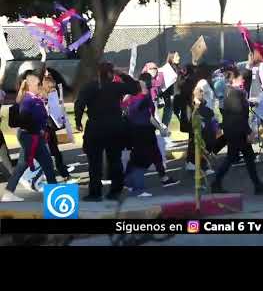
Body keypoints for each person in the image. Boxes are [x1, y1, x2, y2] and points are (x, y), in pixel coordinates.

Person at [75, 62, 138, 202]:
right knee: (115, 160)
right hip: (114, 127)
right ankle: (115, 191)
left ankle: (95, 193)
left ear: (98, 73)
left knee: (94, 162)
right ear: (111, 74)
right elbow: (135, 88)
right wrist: (121, 74)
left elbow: (79, 104)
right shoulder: (116, 87)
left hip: (95, 127)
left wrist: (78, 121)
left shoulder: (89, 87)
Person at [210, 68, 263, 195]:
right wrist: (249, 132)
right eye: (240, 78)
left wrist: (248, 103)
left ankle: (257, 186)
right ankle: (216, 183)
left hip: (233, 130)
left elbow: (236, 109)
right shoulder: (235, 93)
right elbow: (239, 115)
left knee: (246, 158)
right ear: (233, 79)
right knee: (233, 158)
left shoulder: (229, 91)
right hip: (237, 132)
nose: (243, 80)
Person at [1, 73, 58, 202]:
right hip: (30, 137)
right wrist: (39, 129)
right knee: (25, 165)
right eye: (38, 84)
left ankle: (54, 195)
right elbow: (25, 119)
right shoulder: (27, 100)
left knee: (47, 164)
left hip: (35, 136)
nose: (40, 86)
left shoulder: (35, 99)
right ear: (30, 85)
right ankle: (9, 193)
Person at [122, 73, 179, 197]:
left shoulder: (132, 97)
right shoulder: (144, 97)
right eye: (149, 82)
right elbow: (151, 118)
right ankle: (136, 187)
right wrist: (161, 128)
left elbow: (125, 109)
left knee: (152, 154)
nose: (150, 84)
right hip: (144, 131)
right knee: (141, 159)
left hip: (136, 130)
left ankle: (162, 177)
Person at [36, 73, 80, 184]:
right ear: (45, 87)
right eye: (51, 87)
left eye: (54, 87)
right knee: (46, 155)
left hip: (49, 129)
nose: (53, 89)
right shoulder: (39, 98)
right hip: (42, 130)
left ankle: (65, 176)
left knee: (55, 153)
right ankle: (41, 178)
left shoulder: (51, 95)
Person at [159, 51, 181, 128]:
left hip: (176, 96)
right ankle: (163, 132)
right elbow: (165, 84)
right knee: (167, 115)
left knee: (181, 115)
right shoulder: (168, 69)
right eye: (177, 56)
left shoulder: (177, 68)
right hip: (170, 97)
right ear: (172, 58)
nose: (179, 57)